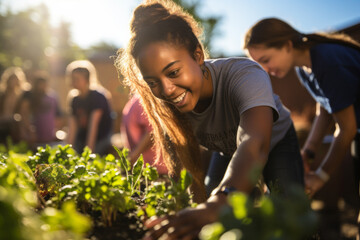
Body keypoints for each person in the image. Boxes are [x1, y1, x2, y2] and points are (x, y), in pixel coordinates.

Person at [116, 1, 304, 239]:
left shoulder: (245, 75)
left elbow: (254, 144)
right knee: (208, 211)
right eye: (153, 82)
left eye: (173, 72)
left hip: (276, 143)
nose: (167, 90)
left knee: (287, 215)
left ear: (198, 55)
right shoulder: (166, 106)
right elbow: (185, 174)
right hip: (226, 150)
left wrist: (220, 201)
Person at [243, 18, 360, 198]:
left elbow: (347, 128)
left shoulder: (327, 61)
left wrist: (320, 176)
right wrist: (308, 153)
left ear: (287, 46)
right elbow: (326, 109)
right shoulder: (304, 69)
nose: (265, 70)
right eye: (260, 64)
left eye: (266, 60)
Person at [65, 60, 113, 155]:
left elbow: (93, 127)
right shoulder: (74, 99)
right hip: (83, 137)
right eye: (72, 78)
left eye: (76, 79)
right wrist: (67, 151)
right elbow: (72, 128)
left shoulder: (98, 97)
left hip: (101, 138)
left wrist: (88, 153)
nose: (73, 81)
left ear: (87, 79)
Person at [121, 93, 168, 175]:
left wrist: (133, 156)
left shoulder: (143, 100)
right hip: (144, 168)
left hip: (154, 170)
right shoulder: (137, 99)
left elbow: (154, 131)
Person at [18, 72, 63, 148]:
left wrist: (56, 130)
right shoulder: (29, 95)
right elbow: (23, 113)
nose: (42, 86)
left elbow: (58, 116)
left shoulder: (52, 97)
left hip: (48, 136)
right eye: (40, 84)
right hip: (32, 136)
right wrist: (29, 129)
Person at [0, 67, 31, 144]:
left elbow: (23, 112)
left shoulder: (20, 96)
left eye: (15, 80)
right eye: (11, 80)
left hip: (13, 124)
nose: (13, 82)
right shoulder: (2, 94)